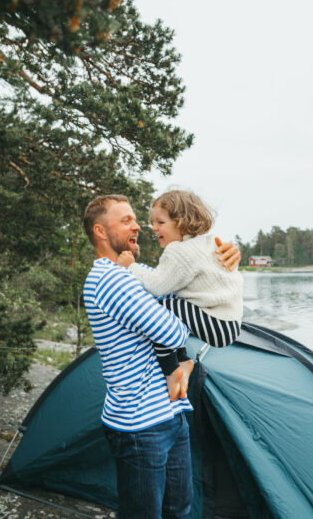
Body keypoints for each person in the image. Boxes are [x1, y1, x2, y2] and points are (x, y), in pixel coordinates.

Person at [83, 194, 241, 519]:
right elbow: (170, 331)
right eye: (125, 219)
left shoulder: (131, 270)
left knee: (178, 511)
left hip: (170, 413)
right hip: (140, 426)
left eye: (135, 219)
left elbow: (184, 286)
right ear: (100, 231)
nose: (138, 225)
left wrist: (226, 259)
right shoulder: (108, 280)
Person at [117, 190, 243, 401]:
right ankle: (182, 359)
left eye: (160, 222)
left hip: (217, 325)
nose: (154, 228)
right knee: (175, 303)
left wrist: (131, 267)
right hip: (230, 323)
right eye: (152, 222)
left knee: (161, 306)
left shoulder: (179, 251)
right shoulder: (210, 242)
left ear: (182, 222)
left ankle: (172, 367)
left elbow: (157, 286)